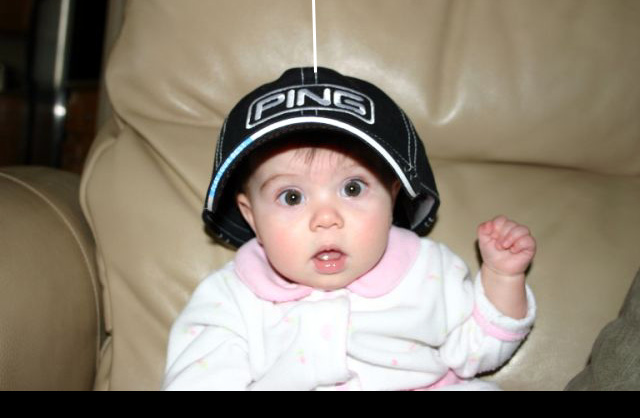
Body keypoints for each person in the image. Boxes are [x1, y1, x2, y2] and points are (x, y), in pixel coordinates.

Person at [162, 67, 536, 391]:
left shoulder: (427, 270)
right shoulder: (231, 298)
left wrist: (503, 278)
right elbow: (199, 379)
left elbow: (477, 350)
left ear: (392, 197)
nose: (326, 218)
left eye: (352, 189)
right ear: (251, 217)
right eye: (291, 197)